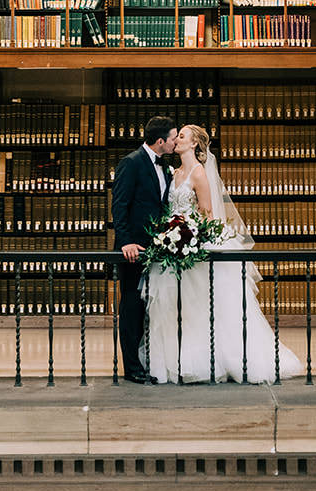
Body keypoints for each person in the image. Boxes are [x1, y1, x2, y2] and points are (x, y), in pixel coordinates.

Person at [143, 123, 302, 384]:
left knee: (201, 309)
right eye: (177, 136)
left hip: (192, 247)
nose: (177, 140)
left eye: (182, 136)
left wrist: (190, 235)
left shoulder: (198, 174)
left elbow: (208, 216)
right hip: (173, 248)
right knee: (176, 310)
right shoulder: (174, 173)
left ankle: (209, 361)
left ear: (194, 143)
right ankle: (176, 360)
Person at [111, 114, 175, 384]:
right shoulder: (132, 162)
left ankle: (150, 360)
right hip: (133, 249)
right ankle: (131, 367)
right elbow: (119, 204)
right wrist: (125, 241)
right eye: (172, 138)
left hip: (157, 250)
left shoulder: (166, 167)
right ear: (160, 141)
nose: (174, 143)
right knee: (132, 307)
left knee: (153, 308)